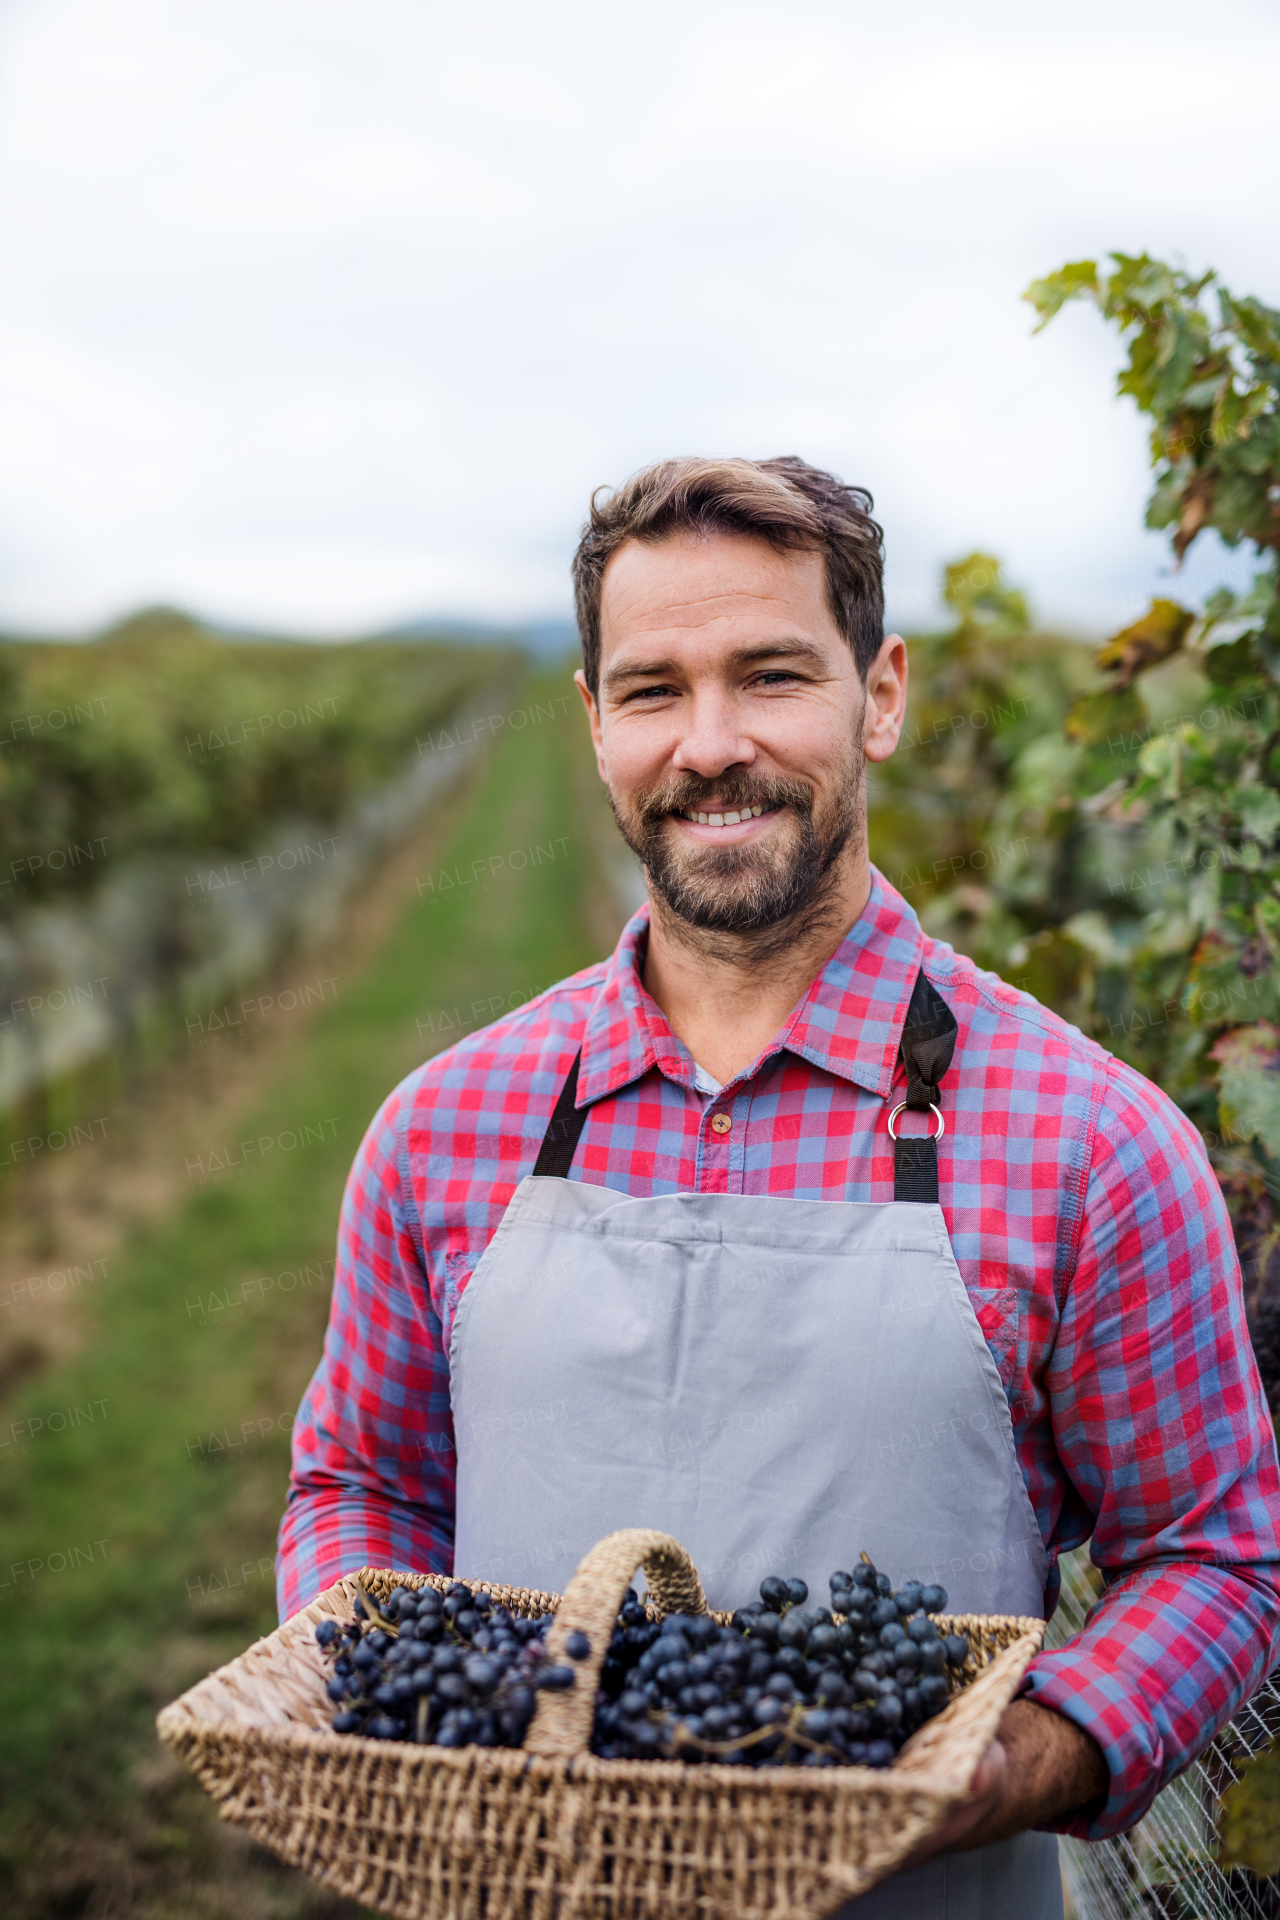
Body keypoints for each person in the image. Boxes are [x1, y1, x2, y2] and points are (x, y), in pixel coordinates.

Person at [277, 455, 1280, 1916]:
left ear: (881, 696)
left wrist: (1037, 1752)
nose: (712, 744)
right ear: (594, 723)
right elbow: (362, 1484)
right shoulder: (445, 1128)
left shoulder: (1091, 1145)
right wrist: (388, 1689)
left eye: (771, 676)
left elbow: (1217, 1559)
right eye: (653, 691)